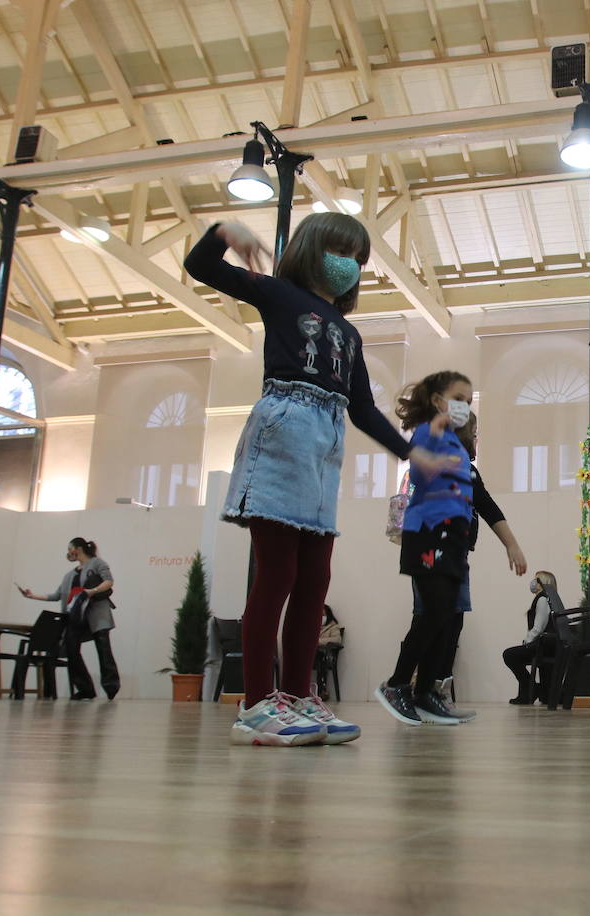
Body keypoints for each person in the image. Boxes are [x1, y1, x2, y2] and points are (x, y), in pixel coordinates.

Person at [185, 213, 449, 746]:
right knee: (277, 575)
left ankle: (300, 695)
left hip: (324, 452)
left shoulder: (349, 334)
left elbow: (364, 410)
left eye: (358, 258)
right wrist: (223, 234)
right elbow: (200, 267)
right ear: (311, 250)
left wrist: (411, 454)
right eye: (339, 250)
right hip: (282, 437)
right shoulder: (279, 295)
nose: (349, 265)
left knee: (314, 581)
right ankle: (257, 705)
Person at [374, 371, 477, 727]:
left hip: (453, 538)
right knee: (432, 612)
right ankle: (398, 683)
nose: (466, 405)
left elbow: (467, 497)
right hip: (427, 534)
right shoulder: (425, 432)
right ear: (438, 401)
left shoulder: (456, 445)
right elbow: (417, 477)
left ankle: (426, 692)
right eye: (460, 397)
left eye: (470, 399)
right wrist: (432, 436)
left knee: (447, 616)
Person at [430, 410, 529, 720]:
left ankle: (439, 694)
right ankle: (420, 691)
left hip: (459, 558)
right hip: (435, 559)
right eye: (474, 433)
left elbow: (487, 506)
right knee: (436, 625)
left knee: (454, 623)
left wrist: (512, 544)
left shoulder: (468, 472)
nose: (476, 440)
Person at [18, 538, 120, 700]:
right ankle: (85, 688)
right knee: (71, 649)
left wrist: (92, 591)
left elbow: (109, 581)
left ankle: (111, 687)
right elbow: (57, 596)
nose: (68, 552)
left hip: (96, 614)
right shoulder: (69, 575)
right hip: (75, 616)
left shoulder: (97, 563)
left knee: (103, 650)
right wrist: (32, 596)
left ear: (78, 549)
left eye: (70, 548)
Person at [501, 570, 564, 705]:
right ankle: (533, 689)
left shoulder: (542, 599)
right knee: (516, 655)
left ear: (544, 584)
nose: (533, 583)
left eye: (537, 580)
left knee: (509, 655)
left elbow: (538, 628)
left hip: (544, 645)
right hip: (552, 644)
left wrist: (527, 642)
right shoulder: (551, 598)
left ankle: (531, 688)